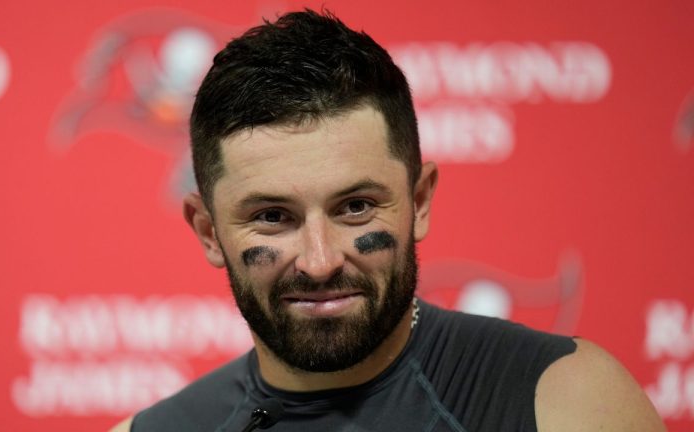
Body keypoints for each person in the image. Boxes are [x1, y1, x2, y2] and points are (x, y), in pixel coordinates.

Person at [112, 9, 665, 432]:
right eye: (272, 216)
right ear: (209, 232)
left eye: (355, 207)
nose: (321, 261)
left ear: (419, 201)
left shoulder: (566, 402)